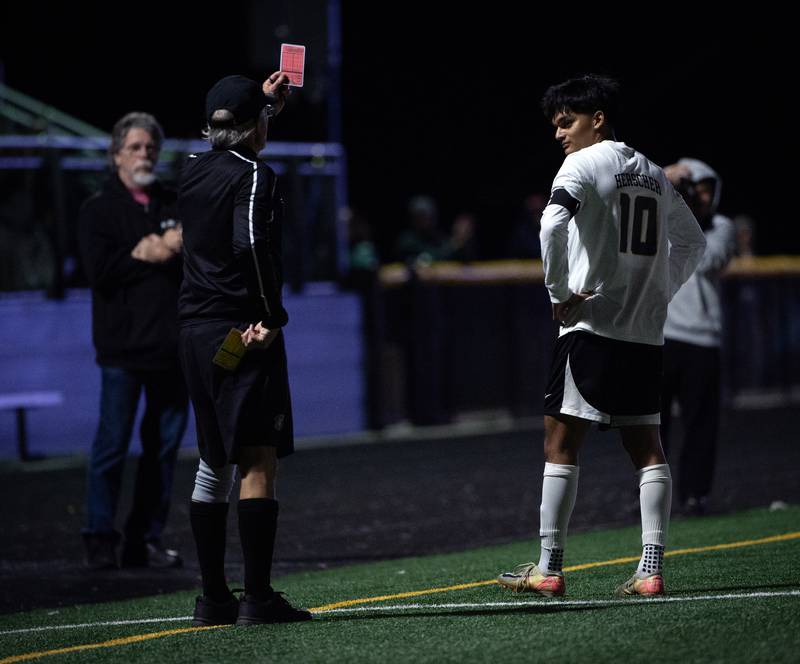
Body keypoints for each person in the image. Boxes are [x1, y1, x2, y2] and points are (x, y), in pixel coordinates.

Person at [496, 75, 706, 597]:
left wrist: (557, 291)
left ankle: (548, 567)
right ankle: (651, 568)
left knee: (560, 443)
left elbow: (550, 225)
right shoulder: (656, 174)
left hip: (591, 326)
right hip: (643, 332)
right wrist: (660, 290)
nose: (559, 134)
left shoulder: (583, 164)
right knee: (649, 450)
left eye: (566, 121)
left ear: (598, 119)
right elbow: (693, 242)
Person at [178, 72, 311, 626]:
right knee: (258, 457)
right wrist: (268, 314)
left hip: (194, 330)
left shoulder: (188, 169)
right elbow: (252, 242)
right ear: (255, 125)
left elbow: (231, 137)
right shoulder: (255, 174)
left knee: (213, 459)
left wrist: (263, 107)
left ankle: (214, 598)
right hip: (242, 328)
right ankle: (257, 598)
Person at [78, 112, 188, 570]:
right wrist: (160, 249)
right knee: (112, 445)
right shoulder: (98, 209)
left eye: (151, 148)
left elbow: (194, 256)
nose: (145, 155)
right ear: (117, 154)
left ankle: (144, 539)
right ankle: (100, 537)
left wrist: (156, 250)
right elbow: (100, 272)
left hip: (171, 348)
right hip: (122, 349)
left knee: (161, 453)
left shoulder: (174, 201)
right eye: (136, 147)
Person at [661, 159, 736, 516]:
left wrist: (685, 213)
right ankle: (651, 496)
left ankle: (695, 494)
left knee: (700, 424)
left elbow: (705, 259)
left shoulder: (722, 226)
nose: (699, 197)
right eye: (693, 189)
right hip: (659, 335)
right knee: (649, 425)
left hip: (702, 340)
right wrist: (664, 178)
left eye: (705, 190)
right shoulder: (661, 217)